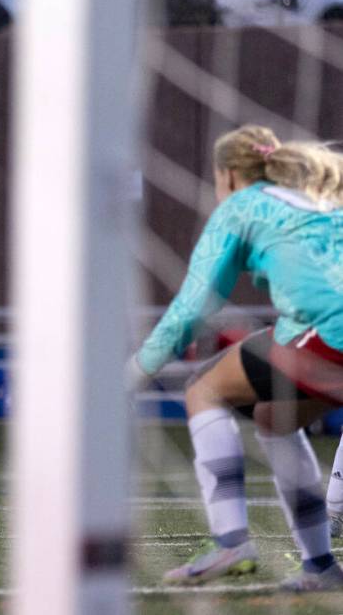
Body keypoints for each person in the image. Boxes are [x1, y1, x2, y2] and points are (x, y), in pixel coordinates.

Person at [131, 124, 343, 591]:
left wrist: (136, 371)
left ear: (226, 174)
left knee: (204, 388)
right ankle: (320, 569)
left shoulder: (241, 207)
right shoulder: (314, 200)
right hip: (328, 334)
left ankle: (231, 542)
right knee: (275, 417)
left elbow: (192, 305)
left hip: (331, 333)